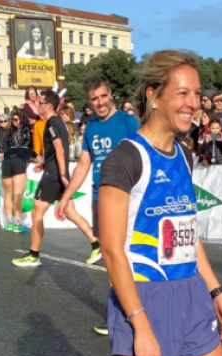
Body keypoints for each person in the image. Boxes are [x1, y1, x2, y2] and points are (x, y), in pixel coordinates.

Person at [99, 50, 222, 356]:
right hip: (145, 302)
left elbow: (188, 233)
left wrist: (217, 293)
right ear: (154, 95)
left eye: (196, 94)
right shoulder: (125, 158)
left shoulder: (184, 154)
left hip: (193, 298)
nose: (192, 103)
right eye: (182, 93)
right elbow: (111, 250)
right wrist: (140, 326)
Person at [54, 75, 139, 336]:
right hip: (99, 197)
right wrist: (66, 196)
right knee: (111, 257)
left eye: (104, 96)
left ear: (110, 94)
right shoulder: (90, 127)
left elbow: (143, 156)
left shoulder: (128, 121)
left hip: (128, 195)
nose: (100, 103)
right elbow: (82, 166)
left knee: (133, 255)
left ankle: (139, 311)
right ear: (88, 102)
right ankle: (119, 313)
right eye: (94, 99)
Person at [12, 90, 100, 267]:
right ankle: (96, 245)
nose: (37, 105)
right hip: (56, 172)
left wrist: (60, 174)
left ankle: (33, 255)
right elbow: (55, 151)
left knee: (36, 212)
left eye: (40, 102)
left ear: (49, 106)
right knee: (70, 212)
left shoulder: (52, 123)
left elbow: (60, 150)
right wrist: (46, 163)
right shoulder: (56, 122)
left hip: (53, 176)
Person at [0, 109, 33, 232]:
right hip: (18, 159)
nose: (13, 121)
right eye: (12, 119)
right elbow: (28, 143)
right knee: (17, 193)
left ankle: (9, 222)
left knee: (9, 193)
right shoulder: (24, 129)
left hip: (7, 160)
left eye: (15, 119)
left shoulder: (8, 131)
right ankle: (16, 222)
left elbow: (4, 146)